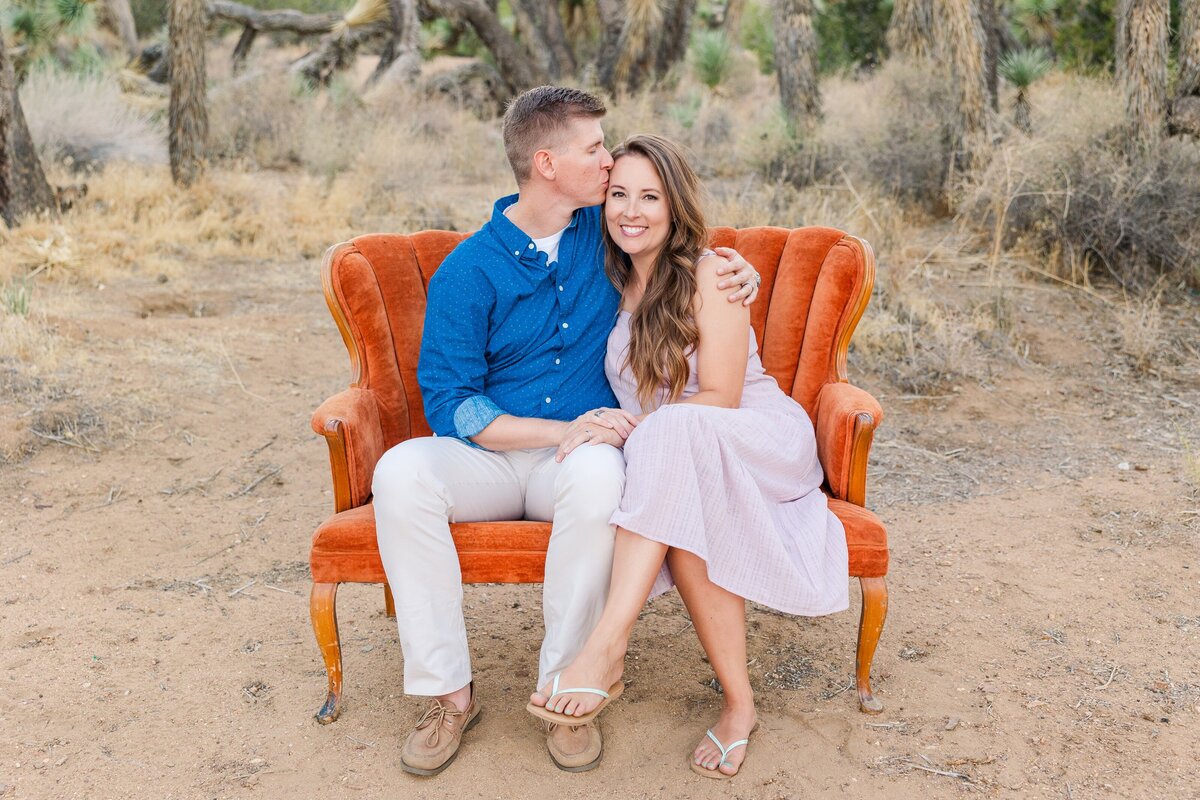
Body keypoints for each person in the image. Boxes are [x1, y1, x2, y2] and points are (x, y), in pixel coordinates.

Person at [371, 88, 762, 776]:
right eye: (593, 150)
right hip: (490, 457)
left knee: (597, 474)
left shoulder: (603, 236)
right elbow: (452, 406)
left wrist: (734, 267)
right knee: (400, 474)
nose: (607, 162)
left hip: (576, 460)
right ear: (547, 164)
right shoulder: (467, 269)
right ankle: (447, 696)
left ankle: (570, 682)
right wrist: (561, 427)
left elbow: (674, 241)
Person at [526, 134, 850, 779]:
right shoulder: (602, 276)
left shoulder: (709, 272)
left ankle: (604, 648)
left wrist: (634, 427)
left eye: (650, 197)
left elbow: (723, 395)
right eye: (618, 194)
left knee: (671, 440)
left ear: (675, 208)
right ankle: (740, 705)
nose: (631, 211)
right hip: (678, 452)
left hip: (755, 436)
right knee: (679, 491)